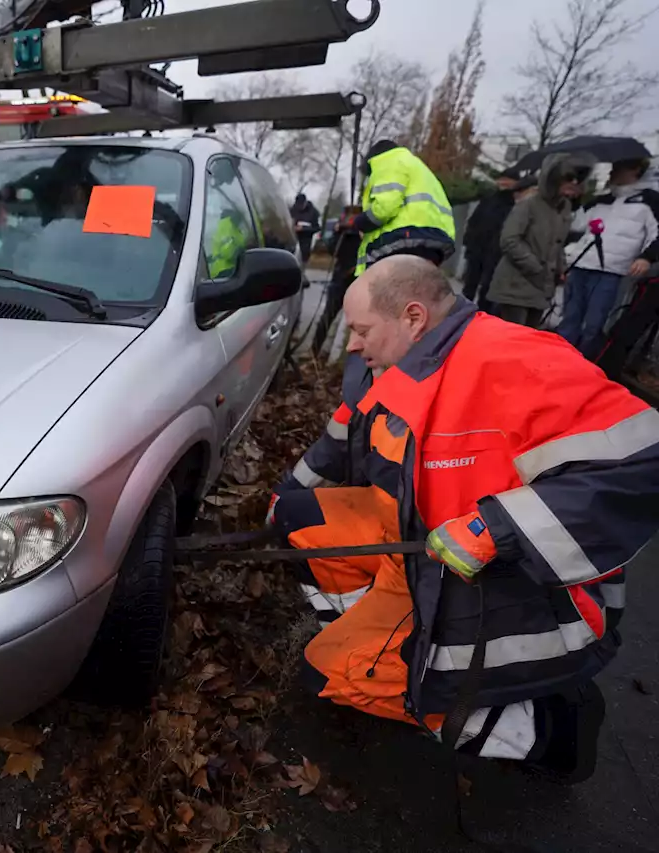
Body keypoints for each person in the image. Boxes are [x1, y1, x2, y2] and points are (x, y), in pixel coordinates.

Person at [269, 255, 659, 780]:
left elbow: (643, 458)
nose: (353, 345)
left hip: (514, 588)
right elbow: (343, 438)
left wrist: (495, 528)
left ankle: (552, 728)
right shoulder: (390, 361)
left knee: (330, 677)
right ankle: (384, 646)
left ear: (413, 318)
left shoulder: (514, 360)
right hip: (423, 554)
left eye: (361, 331)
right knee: (298, 519)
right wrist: (287, 493)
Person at [558, 158, 659, 357]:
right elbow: (574, 225)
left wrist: (647, 257)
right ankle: (557, 360)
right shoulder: (601, 199)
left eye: (618, 168)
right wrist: (573, 199)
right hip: (581, 265)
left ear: (635, 169)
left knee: (595, 325)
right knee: (569, 319)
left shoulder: (651, 201)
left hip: (612, 272)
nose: (612, 171)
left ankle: (584, 366)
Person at [486, 153, 591, 328]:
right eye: (569, 178)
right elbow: (509, 240)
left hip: (542, 288)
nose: (574, 184)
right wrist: (535, 267)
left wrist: (560, 268)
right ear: (554, 178)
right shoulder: (529, 204)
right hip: (516, 284)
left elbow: (558, 243)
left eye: (578, 179)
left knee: (529, 339)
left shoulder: (564, 207)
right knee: (511, 337)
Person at [352, 140, 456, 275]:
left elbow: (384, 208)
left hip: (404, 237)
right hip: (437, 241)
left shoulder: (387, 161)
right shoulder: (418, 166)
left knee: (378, 283)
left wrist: (361, 222)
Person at [460, 166, 521, 305]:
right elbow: (474, 220)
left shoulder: (515, 205)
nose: (504, 183)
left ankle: (482, 315)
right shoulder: (489, 199)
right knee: (470, 284)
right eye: (502, 180)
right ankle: (462, 312)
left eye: (508, 181)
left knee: (488, 289)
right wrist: (468, 240)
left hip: (497, 253)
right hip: (477, 248)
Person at [312, 204, 364, 356]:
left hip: (354, 277)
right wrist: (338, 232)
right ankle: (315, 350)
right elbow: (331, 249)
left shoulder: (362, 233)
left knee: (355, 319)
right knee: (328, 314)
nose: (348, 219)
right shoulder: (342, 232)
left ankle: (350, 352)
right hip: (341, 276)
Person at [290, 192, 322, 264]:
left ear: (305, 202)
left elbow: (318, 228)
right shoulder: (293, 209)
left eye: (301, 205)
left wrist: (304, 229)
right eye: (298, 205)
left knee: (303, 261)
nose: (300, 207)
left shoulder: (314, 212)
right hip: (294, 239)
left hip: (307, 241)